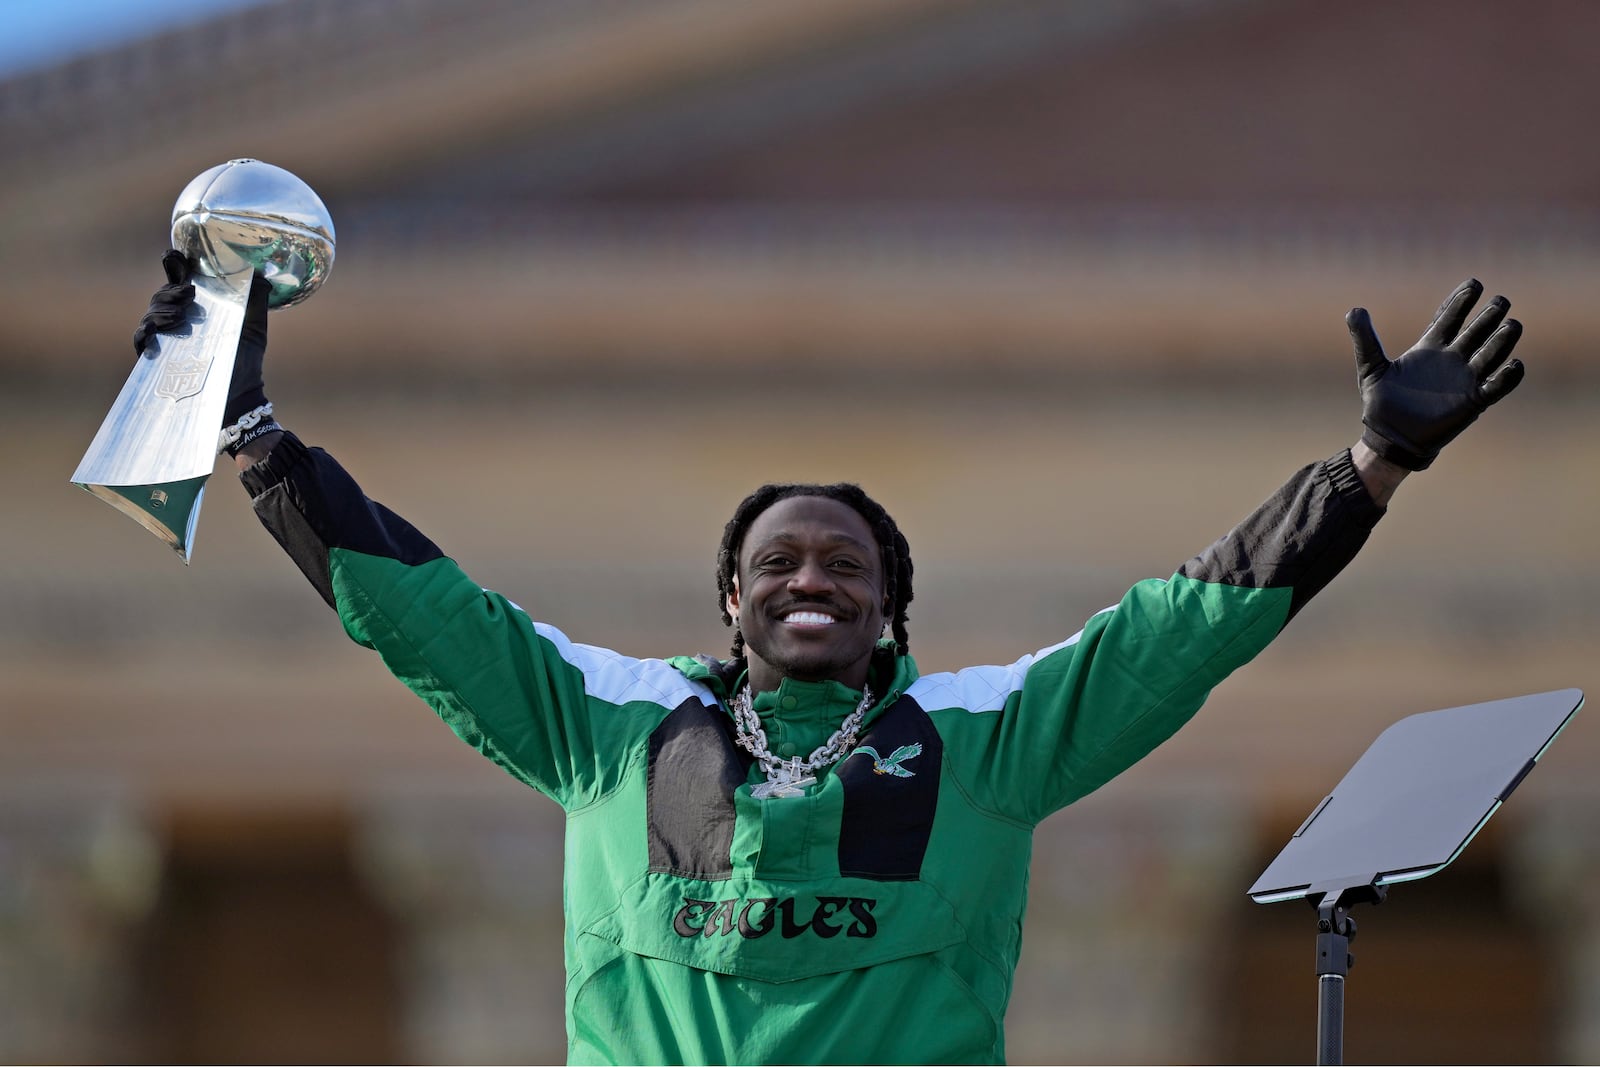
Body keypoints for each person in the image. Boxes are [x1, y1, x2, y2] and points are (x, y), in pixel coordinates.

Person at [133, 252, 1524, 1065]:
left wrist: (1373, 465)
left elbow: (1187, 626)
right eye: (780, 564)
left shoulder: (987, 739)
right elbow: (424, 615)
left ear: (888, 613)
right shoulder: (612, 722)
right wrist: (253, 437)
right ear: (729, 602)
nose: (814, 579)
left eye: (848, 567)